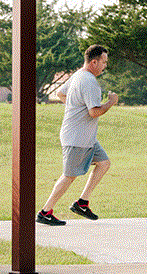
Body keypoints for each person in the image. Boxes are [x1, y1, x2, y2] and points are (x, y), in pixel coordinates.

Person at [38, 45, 118, 225]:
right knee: (69, 176)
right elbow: (94, 112)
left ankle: (82, 203)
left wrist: (75, 105)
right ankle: (45, 212)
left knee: (104, 163)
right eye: (103, 62)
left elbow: (60, 93)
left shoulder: (77, 75)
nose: (105, 66)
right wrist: (111, 102)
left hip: (86, 137)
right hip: (77, 138)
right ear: (94, 62)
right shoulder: (89, 81)